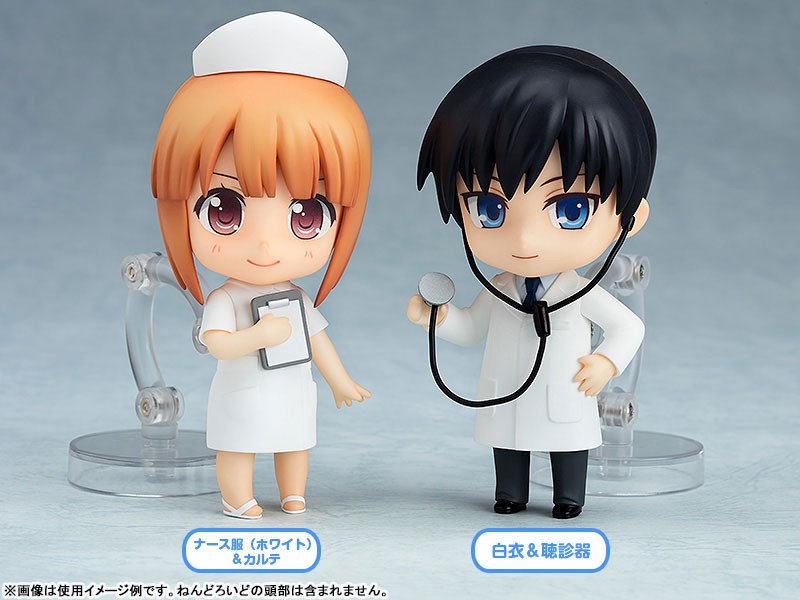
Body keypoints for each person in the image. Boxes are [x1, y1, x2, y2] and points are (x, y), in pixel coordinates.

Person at [409, 46, 656, 519]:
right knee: (509, 441)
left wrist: (606, 363)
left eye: (570, 209)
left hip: (567, 390)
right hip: (507, 392)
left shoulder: (578, 292)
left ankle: (568, 497)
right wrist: (435, 318)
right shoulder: (500, 286)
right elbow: (471, 329)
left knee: (568, 445)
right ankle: (510, 494)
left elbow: (629, 328)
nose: (524, 239)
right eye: (489, 208)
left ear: (631, 218)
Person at [152, 12, 371, 519]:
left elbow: (318, 340)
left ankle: (293, 492)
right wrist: (258, 337)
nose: (266, 244)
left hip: (293, 390)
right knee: (239, 444)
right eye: (224, 210)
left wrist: (339, 380)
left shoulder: (297, 298)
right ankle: (238, 497)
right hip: (242, 391)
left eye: (307, 215)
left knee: (294, 441)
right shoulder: (225, 299)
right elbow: (216, 342)